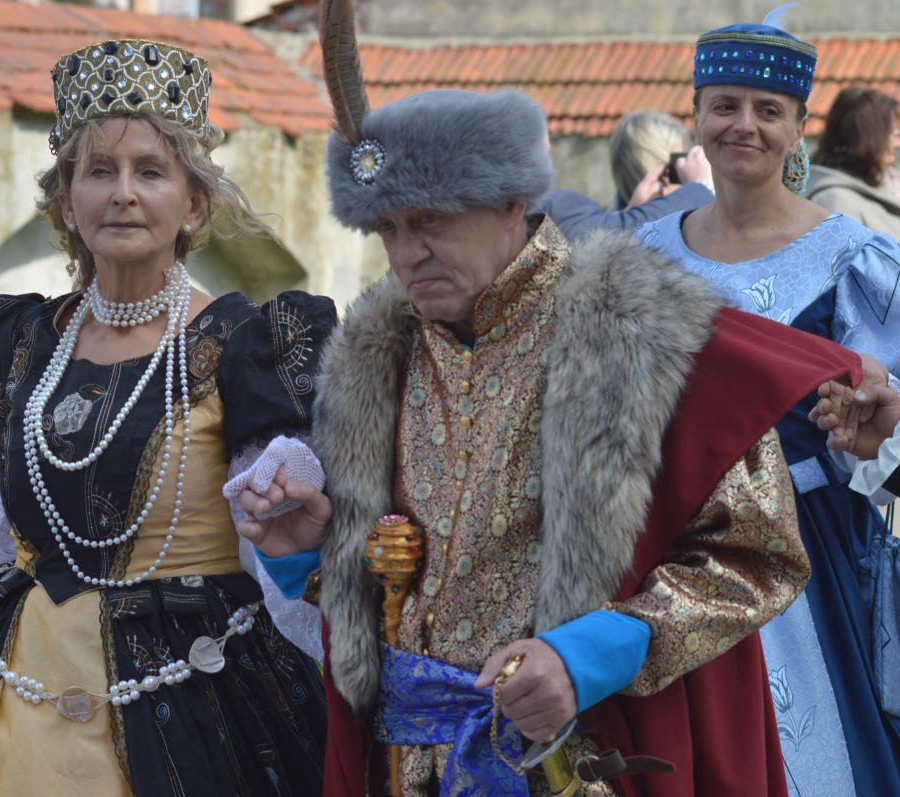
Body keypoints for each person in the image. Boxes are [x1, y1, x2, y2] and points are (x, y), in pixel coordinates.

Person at [230, 2, 864, 794]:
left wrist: (585, 655)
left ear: (512, 205)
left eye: (431, 220)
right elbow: (390, 600)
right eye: (388, 227)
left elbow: (759, 555)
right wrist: (307, 551)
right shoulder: (375, 358)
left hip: (588, 761)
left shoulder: (642, 333)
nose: (407, 253)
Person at [0, 38, 332, 797]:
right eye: (99, 171)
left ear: (194, 203)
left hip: (195, 695)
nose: (123, 194)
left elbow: (279, 539)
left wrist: (296, 476)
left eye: (151, 172)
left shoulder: (244, 344)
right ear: (67, 199)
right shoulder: (24, 341)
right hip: (14, 677)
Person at [638, 15, 900, 796]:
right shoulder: (644, 257)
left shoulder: (853, 258)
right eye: (724, 105)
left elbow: (890, 421)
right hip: (671, 554)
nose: (743, 125)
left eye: (767, 110)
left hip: (806, 552)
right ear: (696, 115)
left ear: (797, 129)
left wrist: (878, 425)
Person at [540, 110, 714, 240]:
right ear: (665, 174)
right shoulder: (556, 209)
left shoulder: (607, 221)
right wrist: (701, 187)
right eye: (681, 161)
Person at [806, 87, 900, 238]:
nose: (897, 144)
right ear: (867, 139)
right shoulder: (835, 201)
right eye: (893, 134)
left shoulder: (888, 184)